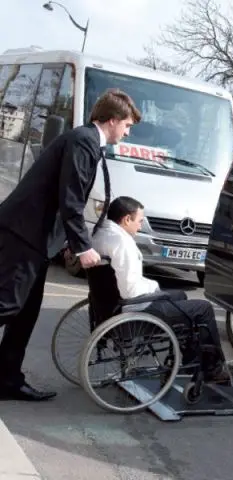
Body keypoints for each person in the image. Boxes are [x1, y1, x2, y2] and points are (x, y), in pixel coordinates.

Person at [0, 89, 141, 401]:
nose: (128, 132)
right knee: (8, 304)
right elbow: (71, 201)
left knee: (25, 313)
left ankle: (6, 379)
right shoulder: (83, 141)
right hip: (24, 233)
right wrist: (82, 247)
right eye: (128, 125)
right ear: (114, 120)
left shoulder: (88, 142)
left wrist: (66, 241)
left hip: (36, 237)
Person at [91, 196, 233, 385]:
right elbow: (131, 291)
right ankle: (212, 368)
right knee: (203, 309)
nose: (140, 226)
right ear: (126, 219)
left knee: (181, 296)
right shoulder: (122, 243)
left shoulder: (100, 234)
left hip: (108, 309)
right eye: (139, 221)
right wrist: (154, 287)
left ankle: (192, 361)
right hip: (135, 313)